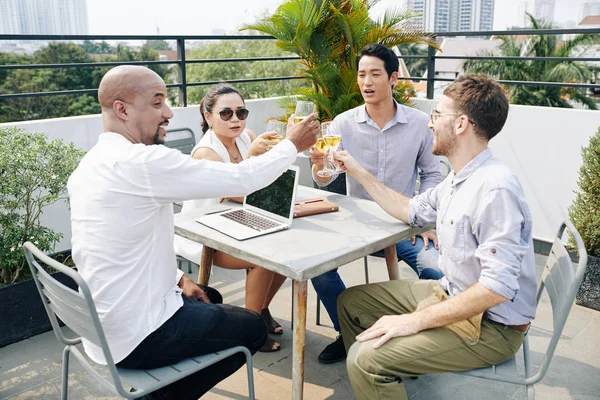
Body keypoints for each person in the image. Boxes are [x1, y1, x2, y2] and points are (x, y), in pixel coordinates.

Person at [67, 65, 319, 400]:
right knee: (253, 328)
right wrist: (292, 144)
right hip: (137, 336)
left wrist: (176, 278)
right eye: (158, 103)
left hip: (102, 329)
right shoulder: (140, 163)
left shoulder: (91, 163)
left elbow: (114, 248)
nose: (169, 113)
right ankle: (157, 398)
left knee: (210, 296)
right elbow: (241, 179)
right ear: (122, 109)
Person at [333, 74, 537, 400]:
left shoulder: (494, 188)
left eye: (437, 115)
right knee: (350, 303)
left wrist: (415, 322)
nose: (430, 124)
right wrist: (357, 171)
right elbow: (410, 210)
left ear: (460, 125)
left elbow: (497, 288)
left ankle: (377, 370)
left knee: (365, 359)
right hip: (450, 293)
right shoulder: (460, 177)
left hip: (490, 328)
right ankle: (393, 375)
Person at [308, 43, 443, 364]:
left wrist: (427, 220)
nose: (366, 82)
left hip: (404, 225)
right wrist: (318, 166)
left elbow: (434, 177)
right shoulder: (342, 123)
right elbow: (325, 178)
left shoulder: (419, 124)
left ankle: (415, 337)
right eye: (361, 75)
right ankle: (349, 332)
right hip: (355, 224)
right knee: (318, 270)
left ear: (394, 78)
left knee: (437, 270)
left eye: (375, 74)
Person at [174, 83, 288, 352]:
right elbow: (235, 190)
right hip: (209, 236)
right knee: (264, 260)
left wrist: (272, 157)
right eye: (226, 114)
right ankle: (252, 332)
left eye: (241, 112)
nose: (235, 120)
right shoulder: (206, 153)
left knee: (284, 254)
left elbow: (268, 182)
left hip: (240, 222)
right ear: (208, 116)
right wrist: (253, 158)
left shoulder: (247, 136)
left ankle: (260, 309)